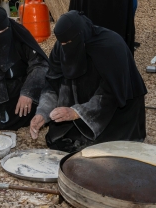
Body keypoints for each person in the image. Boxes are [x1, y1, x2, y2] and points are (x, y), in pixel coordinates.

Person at [30, 12, 147, 152]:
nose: (64, 46)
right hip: (82, 101)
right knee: (60, 141)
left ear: (81, 35)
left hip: (116, 107)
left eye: (68, 43)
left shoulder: (111, 46)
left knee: (105, 149)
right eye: (62, 43)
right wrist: (42, 113)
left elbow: (112, 92)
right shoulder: (62, 46)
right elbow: (52, 84)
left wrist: (76, 113)